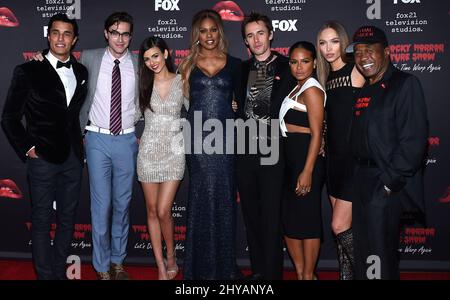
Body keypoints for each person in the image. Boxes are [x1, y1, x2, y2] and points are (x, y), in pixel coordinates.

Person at [1, 13, 88, 279]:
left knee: (67, 219)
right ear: (48, 35)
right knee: (40, 220)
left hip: (73, 158)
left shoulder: (82, 71)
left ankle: (59, 272)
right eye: (56, 33)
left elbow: (72, 114)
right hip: (42, 158)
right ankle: (45, 275)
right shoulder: (27, 70)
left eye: (67, 34)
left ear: (74, 40)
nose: (61, 38)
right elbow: (9, 117)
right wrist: (29, 149)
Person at [346, 26, 428, 279]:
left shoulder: (405, 84)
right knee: (364, 253)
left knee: (380, 255)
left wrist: (388, 184)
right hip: (361, 180)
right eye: (358, 52)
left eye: (370, 50)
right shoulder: (366, 88)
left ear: (388, 52)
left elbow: (413, 143)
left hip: (383, 183)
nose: (363, 57)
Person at [178, 9, 242, 280]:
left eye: (213, 29)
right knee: (200, 198)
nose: (209, 36)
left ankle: (224, 267)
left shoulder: (236, 64)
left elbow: (244, 104)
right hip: (198, 142)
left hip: (226, 141)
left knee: (224, 199)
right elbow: (180, 104)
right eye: (203, 31)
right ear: (197, 36)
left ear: (220, 31)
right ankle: (197, 267)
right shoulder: (187, 65)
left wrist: (235, 108)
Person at [80, 12, 140, 280]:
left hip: (127, 139)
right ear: (106, 33)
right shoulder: (90, 57)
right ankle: (102, 266)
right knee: (100, 205)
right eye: (115, 32)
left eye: (125, 33)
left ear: (130, 36)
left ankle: (118, 261)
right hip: (96, 138)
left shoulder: (139, 62)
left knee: (122, 204)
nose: (120, 38)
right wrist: (39, 56)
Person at [235, 12, 295, 280]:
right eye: (250, 35)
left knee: (272, 217)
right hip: (245, 149)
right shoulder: (240, 69)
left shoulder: (287, 66)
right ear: (246, 41)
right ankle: (259, 272)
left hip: (274, 150)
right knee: (252, 215)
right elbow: (237, 108)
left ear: (270, 34)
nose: (256, 39)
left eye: (260, 33)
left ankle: (272, 275)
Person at [316, 21, 365, 280]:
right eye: (323, 43)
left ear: (343, 41)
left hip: (352, 160)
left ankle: (372, 271)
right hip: (332, 161)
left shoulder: (356, 69)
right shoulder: (326, 78)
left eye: (334, 41)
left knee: (338, 226)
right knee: (344, 231)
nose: (328, 48)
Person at [136, 36, 185, 280]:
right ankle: (160, 264)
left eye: (155, 55)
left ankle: (172, 255)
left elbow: (199, 107)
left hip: (174, 152)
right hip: (147, 153)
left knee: (165, 210)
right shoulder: (142, 85)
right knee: (153, 210)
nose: (152, 62)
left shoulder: (181, 81)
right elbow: (130, 114)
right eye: (146, 59)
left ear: (165, 54)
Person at [279, 41, 326, 280]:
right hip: (291, 160)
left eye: (305, 61)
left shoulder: (312, 89)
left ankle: (308, 275)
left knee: (307, 220)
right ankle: (300, 272)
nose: (299, 66)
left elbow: (317, 133)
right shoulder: (295, 88)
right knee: (288, 219)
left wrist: (307, 171)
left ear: (315, 62)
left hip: (306, 161)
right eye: (294, 61)